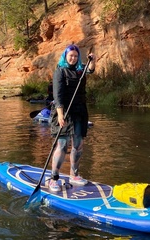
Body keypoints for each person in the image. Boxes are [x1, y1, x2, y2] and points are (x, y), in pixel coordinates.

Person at [49, 44, 96, 191]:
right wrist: (61, 115)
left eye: (76, 56)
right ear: (65, 56)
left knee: (78, 144)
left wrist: (93, 60)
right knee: (62, 145)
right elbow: (58, 95)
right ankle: (53, 178)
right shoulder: (60, 71)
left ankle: (74, 175)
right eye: (71, 56)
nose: (73, 58)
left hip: (79, 111)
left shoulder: (80, 70)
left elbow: (91, 69)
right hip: (63, 111)